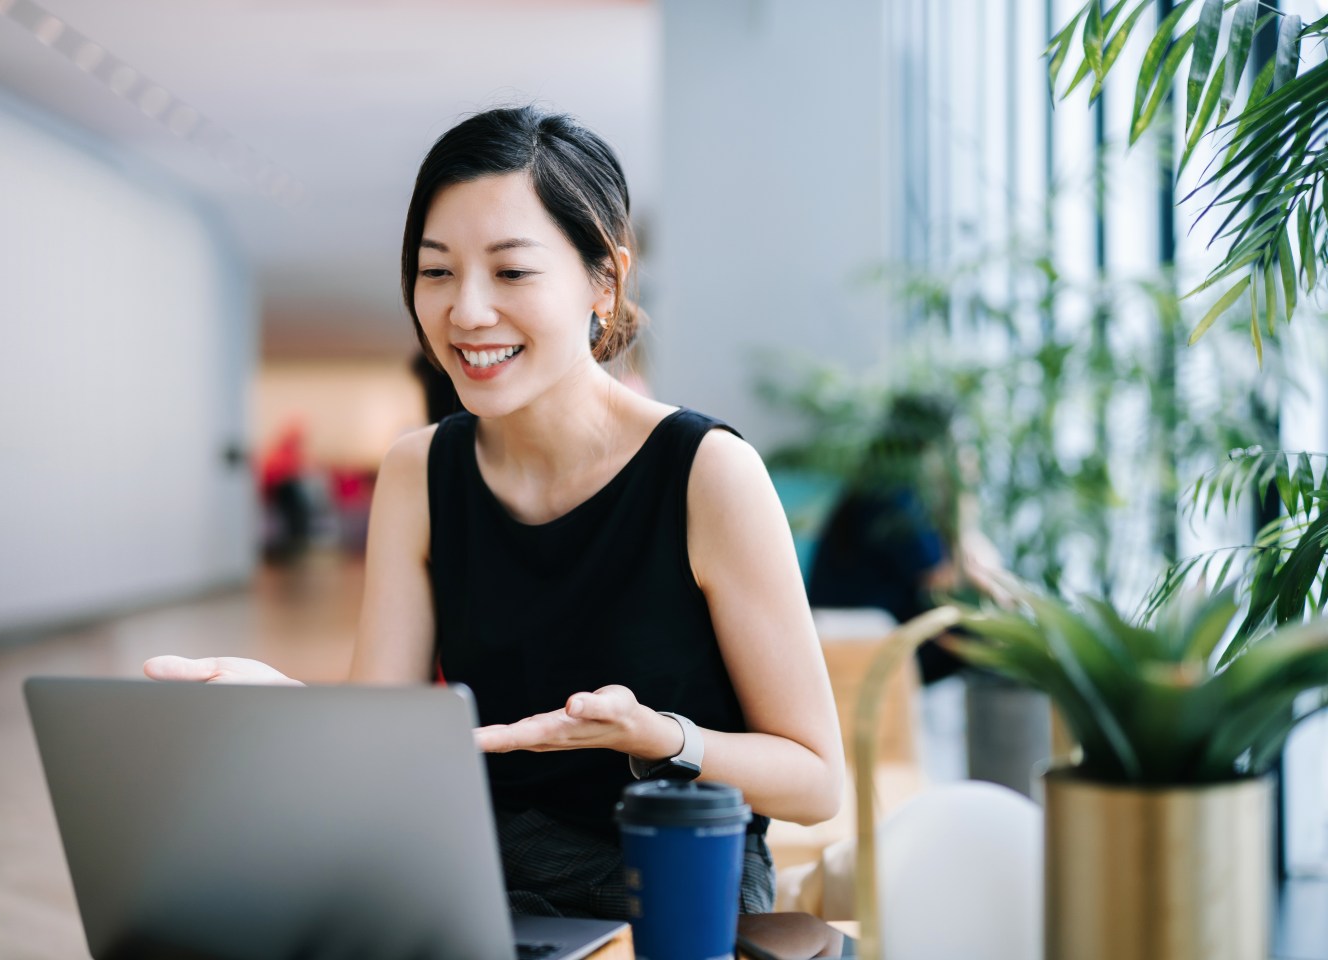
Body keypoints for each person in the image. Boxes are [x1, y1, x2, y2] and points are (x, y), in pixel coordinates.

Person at [144, 105, 844, 920]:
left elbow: (815, 781)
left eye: (511, 272)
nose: (466, 312)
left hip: (669, 875)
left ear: (605, 279)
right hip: (475, 868)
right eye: (436, 271)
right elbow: (386, 737)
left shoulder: (707, 474)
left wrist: (659, 737)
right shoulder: (419, 470)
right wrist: (287, 703)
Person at [806, 393, 1005, 684]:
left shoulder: (882, 484)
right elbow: (946, 577)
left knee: (974, 628)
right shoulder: (894, 495)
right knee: (984, 634)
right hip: (862, 636)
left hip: (867, 627)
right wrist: (963, 501)